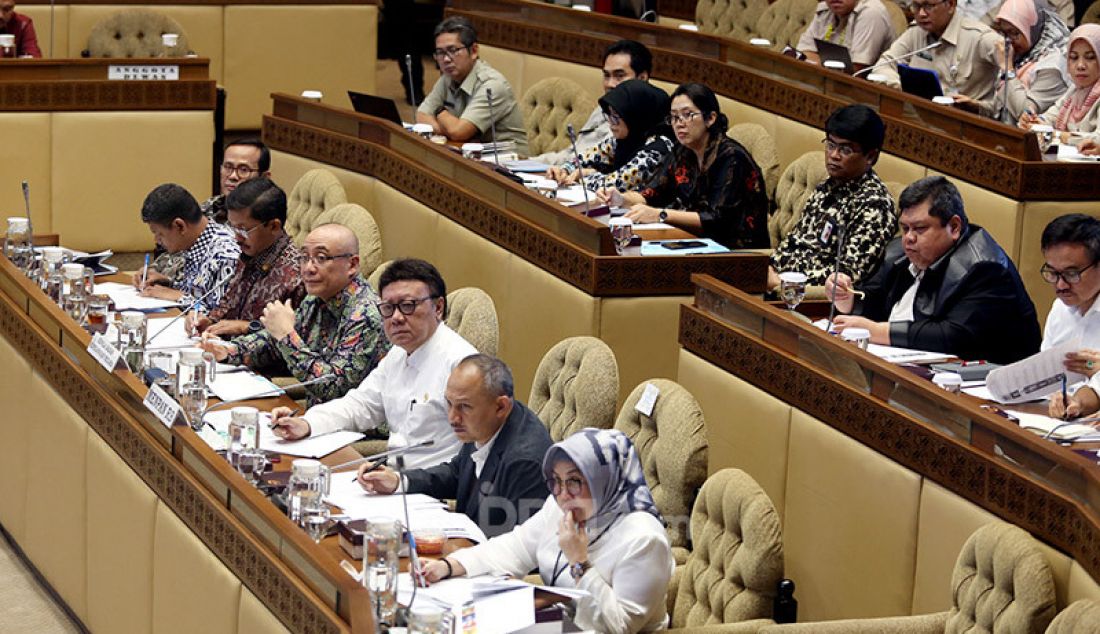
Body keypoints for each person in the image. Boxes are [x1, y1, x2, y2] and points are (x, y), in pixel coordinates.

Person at [423, 429, 673, 634]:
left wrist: (579, 562)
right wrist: (450, 565)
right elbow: (517, 546)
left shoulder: (644, 539)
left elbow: (620, 626)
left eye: (575, 481)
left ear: (604, 479)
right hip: (556, 623)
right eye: (556, 480)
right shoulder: (562, 507)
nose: (562, 495)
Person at [267, 258, 477, 468]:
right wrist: (307, 423)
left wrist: (403, 483)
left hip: (433, 490)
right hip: (393, 480)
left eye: (407, 306)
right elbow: (360, 405)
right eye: (388, 308)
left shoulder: (461, 365)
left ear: (438, 307)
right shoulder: (399, 353)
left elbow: (475, 457)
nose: (396, 318)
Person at [826, 175, 1041, 364]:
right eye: (905, 228)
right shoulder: (900, 253)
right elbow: (880, 298)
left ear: (954, 227)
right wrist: (850, 300)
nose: (909, 238)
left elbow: (951, 336)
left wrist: (876, 331)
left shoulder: (985, 269)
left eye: (920, 228)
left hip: (985, 388)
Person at [357, 355, 552, 537]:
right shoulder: (485, 423)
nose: (452, 418)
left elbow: (517, 552)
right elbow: (457, 473)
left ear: (501, 406)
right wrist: (399, 482)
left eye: (464, 407)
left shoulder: (525, 462)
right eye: (449, 403)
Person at [200, 223, 389, 406]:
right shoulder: (317, 297)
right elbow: (274, 343)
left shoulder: (365, 315)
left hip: (356, 430)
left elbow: (334, 388)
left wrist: (286, 337)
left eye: (321, 258)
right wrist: (228, 350)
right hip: (315, 415)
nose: (308, 268)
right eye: (304, 257)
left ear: (352, 265)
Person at [599, 83, 769, 249]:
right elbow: (652, 193)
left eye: (687, 115)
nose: (679, 123)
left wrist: (661, 215)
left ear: (710, 118)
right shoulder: (682, 151)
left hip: (739, 251)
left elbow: (715, 220)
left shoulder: (732, 158)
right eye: (674, 117)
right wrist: (621, 199)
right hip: (694, 242)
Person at [769, 104, 897, 290]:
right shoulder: (826, 186)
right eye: (830, 145)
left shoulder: (875, 206)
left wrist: (783, 284)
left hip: (813, 300)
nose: (834, 156)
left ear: (870, 156)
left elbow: (848, 276)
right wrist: (769, 269)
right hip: (780, 283)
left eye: (845, 150)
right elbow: (794, 242)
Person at [186, 178, 305, 338]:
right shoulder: (248, 254)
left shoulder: (299, 275)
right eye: (232, 227)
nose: (236, 238)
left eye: (243, 230)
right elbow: (228, 304)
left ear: (273, 226)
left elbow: (300, 337)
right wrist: (208, 321)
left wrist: (247, 327)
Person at [147, 138, 271, 280]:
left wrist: (172, 285)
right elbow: (173, 250)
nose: (232, 176)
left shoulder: (261, 226)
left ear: (264, 177)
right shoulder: (211, 206)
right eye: (228, 167)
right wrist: (152, 272)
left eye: (243, 170)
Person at [416, 16, 528, 156]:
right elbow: (421, 116)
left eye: (453, 50)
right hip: (471, 156)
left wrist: (439, 111)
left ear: (474, 51)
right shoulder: (448, 77)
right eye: (440, 53)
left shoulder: (492, 85)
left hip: (510, 164)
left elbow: (458, 132)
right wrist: (449, 129)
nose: (446, 59)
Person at [531, 40, 653, 165]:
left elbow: (608, 168)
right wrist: (526, 163)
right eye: (606, 76)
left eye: (619, 76)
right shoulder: (603, 107)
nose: (610, 84)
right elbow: (571, 154)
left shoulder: (647, 121)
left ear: (642, 78)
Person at [873, 0, 1004, 115]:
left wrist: (982, 107)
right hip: (919, 119)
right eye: (916, 6)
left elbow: (1013, 78)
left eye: (928, 6)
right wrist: (899, 86)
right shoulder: (917, 32)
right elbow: (884, 64)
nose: (921, 14)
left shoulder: (980, 38)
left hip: (965, 128)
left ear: (951, 4)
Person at [544, 79, 673, 193]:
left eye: (617, 116)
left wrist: (587, 174)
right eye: (609, 115)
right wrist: (565, 170)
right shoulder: (624, 139)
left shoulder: (658, 148)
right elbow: (585, 158)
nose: (611, 122)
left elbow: (614, 185)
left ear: (636, 116)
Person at [133, 183, 240, 306]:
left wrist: (179, 296)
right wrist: (168, 284)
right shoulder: (196, 243)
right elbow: (199, 292)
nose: (157, 240)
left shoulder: (225, 254)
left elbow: (218, 316)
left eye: (159, 234)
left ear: (180, 226)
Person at [1037, 215, 1100, 419]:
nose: (1061, 285)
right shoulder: (1060, 310)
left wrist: (1079, 401)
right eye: (1053, 273)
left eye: (1072, 274)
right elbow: (1047, 374)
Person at [983, 0, 1071, 124]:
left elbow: (1025, 113)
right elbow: (1003, 108)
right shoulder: (1024, 56)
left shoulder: (1054, 66)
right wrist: (977, 106)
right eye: (1004, 33)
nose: (1009, 40)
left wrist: (1007, 69)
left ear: (1033, 29)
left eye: (1015, 33)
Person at [1019, 24, 1100, 144]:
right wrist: (1034, 122)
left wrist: (1055, 135)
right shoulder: (1076, 89)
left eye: (1090, 57)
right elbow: (1051, 116)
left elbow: (1097, 140)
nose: (1080, 65)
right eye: (1073, 57)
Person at [796, 0, 897, 72]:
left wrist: (815, 61)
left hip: (863, 92)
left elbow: (855, 70)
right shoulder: (825, 9)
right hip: (825, 81)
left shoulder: (871, 13)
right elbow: (804, 53)